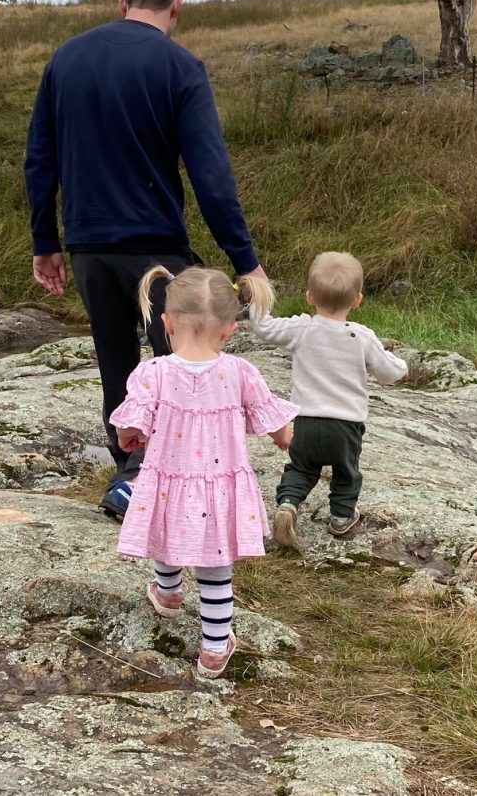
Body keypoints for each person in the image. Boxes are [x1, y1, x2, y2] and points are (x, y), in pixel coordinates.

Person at [25, 0, 266, 521]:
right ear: (176, 6)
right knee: (182, 363)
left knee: (117, 360)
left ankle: (127, 469)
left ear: (121, 2)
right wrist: (244, 260)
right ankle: (152, 480)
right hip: (154, 249)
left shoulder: (66, 59)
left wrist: (46, 240)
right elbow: (211, 177)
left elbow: (40, 159)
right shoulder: (181, 68)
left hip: (86, 244)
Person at [111, 265, 296, 678]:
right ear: (229, 329)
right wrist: (284, 437)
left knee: (165, 531)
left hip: (168, 480)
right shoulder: (240, 372)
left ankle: (169, 592)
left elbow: (130, 423)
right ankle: (214, 648)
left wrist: (129, 437)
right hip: (220, 487)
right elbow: (275, 423)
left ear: (166, 323)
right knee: (215, 568)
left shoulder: (152, 373)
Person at [248, 251, 407, 545]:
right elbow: (388, 371)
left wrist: (259, 296)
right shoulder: (361, 337)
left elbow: (264, 327)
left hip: (306, 421)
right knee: (346, 472)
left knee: (300, 468)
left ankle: (288, 504)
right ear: (357, 299)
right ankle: (342, 518)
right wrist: (403, 368)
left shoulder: (302, 329)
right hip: (346, 426)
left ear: (309, 296)